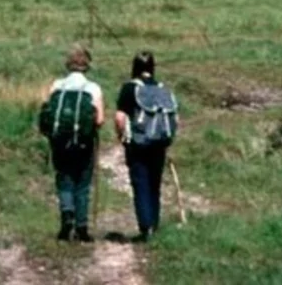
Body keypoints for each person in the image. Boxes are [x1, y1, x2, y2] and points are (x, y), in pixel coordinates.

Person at [40, 44, 103, 242]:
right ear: (87, 66)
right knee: (82, 184)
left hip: (59, 142)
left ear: (68, 65)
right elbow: (99, 119)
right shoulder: (92, 88)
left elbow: (47, 112)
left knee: (64, 179)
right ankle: (82, 227)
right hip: (84, 143)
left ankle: (67, 215)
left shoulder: (57, 85)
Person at [114, 50, 178, 242]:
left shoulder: (129, 88)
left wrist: (122, 137)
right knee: (154, 184)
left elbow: (119, 117)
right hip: (160, 143)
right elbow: (175, 117)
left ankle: (146, 227)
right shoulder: (163, 89)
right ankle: (155, 225)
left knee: (140, 183)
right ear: (152, 67)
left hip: (138, 144)